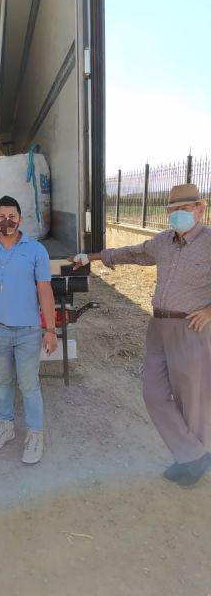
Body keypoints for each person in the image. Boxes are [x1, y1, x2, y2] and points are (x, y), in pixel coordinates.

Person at [70, 183, 211, 487]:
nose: (178, 214)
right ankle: (195, 455)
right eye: (173, 210)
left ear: (200, 210)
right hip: (158, 327)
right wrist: (90, 256)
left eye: (185, 209)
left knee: (191, 400)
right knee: (153, 394)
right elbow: (130, 253)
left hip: (191, 329)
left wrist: (210, 311)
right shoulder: (162, 242)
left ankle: (188, 461)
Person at [0, 195, 58, 464]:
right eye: (1, 216)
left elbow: (45, 290)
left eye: (12, 216)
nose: (6, 221)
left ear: (20, 219)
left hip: (28, 331)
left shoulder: (36, 250)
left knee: (29, 385)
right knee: (4, 382)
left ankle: (35, 434)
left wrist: (50, 329)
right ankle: (6, 426)